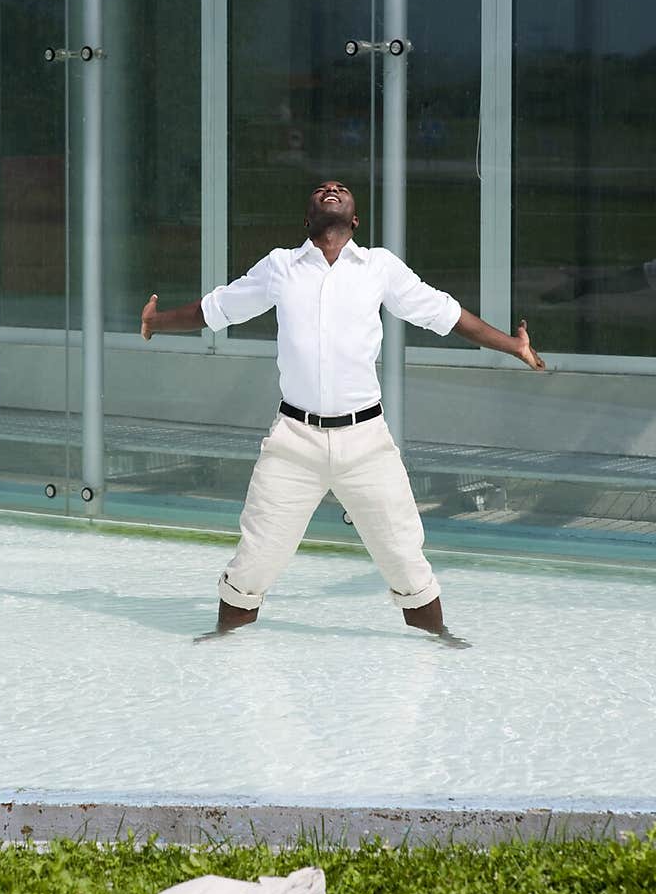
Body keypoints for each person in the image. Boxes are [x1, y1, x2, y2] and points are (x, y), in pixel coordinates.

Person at [141, 179, 546, 646]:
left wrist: (512, 345)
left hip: (366, 441)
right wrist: (156, 322)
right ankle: (221, 648)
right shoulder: (281, 267)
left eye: (341, 187)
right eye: (320, 188)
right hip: (294, 441)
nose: (331, 187)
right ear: (308, 218)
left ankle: (441, 645)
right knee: (255, 559)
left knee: (404, 557)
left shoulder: (379, 268)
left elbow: (445, 314)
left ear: (354, 221)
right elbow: (215, 310)